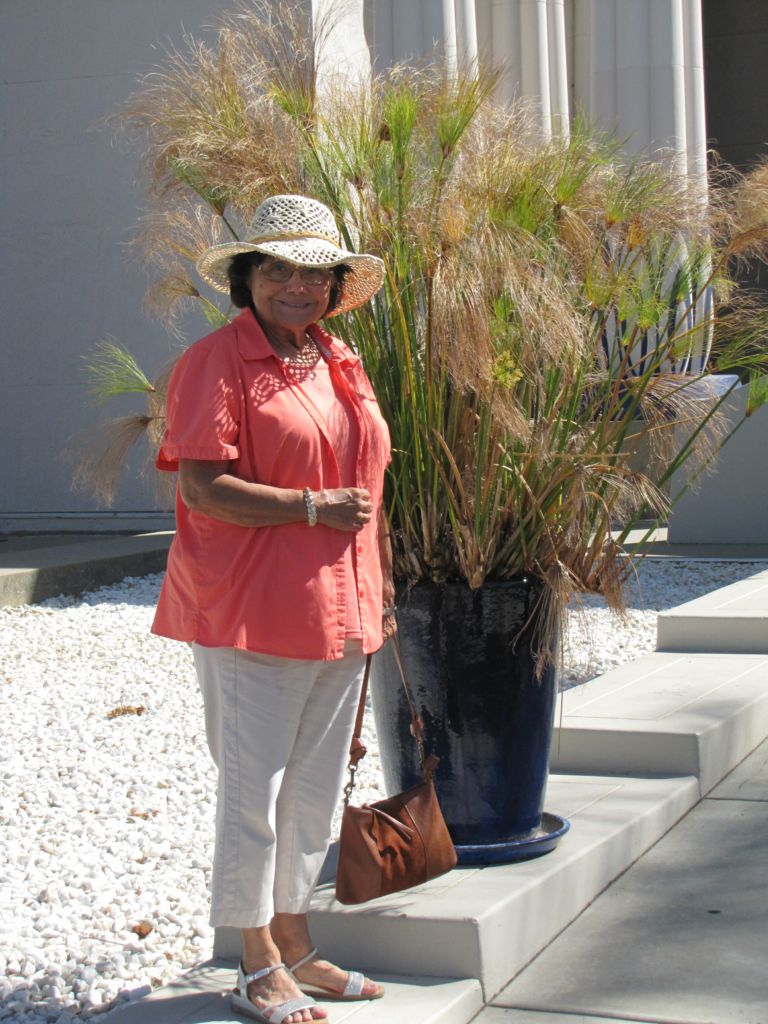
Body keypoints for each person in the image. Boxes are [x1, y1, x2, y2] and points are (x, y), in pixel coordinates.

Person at [151, 194, 395, 1024]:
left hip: (346, 608)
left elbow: (370, 487)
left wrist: (380, 588)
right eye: (276, 268)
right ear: (247, 279)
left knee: (317, 791)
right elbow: (202, 484)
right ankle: (255, 956)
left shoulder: (340, 361)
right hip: (250, 608)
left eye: (313, 272)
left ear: (335, 285)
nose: (295, 285)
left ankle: (296, 941)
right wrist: (309, 508)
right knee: (251, 790)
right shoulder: (214, 364)